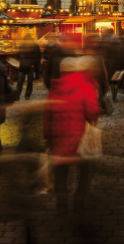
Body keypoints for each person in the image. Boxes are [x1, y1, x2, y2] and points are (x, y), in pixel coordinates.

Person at [43, 56, 101, 211]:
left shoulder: (54, 89)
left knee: (60, 174)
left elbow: (47, 115)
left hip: (59, 139)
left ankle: (62, 204)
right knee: (85, 171)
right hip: (81, 138)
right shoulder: (84, 86)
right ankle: (79, 201)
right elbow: (91, 112)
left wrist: (48, 137)